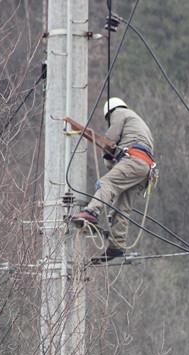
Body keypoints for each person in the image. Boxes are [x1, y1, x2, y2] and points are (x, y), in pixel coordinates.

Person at [72, 97, 156, 262]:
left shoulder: (119, 113)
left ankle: (91, 212)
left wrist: (107, 156)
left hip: (134, 160)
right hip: (145, 169)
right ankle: (117, 245)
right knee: (122, 207)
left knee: (107, 183)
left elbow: (111, 138)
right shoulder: (138, 124)